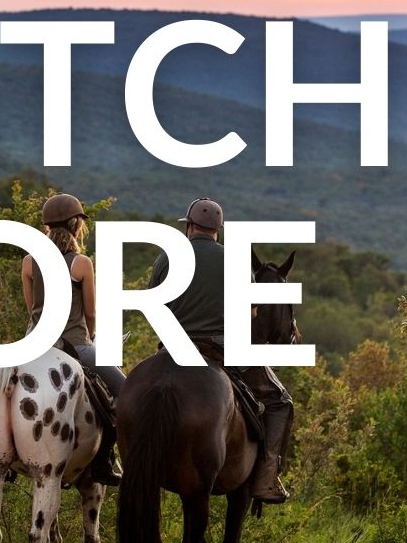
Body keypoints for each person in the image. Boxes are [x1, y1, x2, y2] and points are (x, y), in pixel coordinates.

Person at [147, 197, 294, 504]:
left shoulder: (166, 258)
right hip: (221, 350)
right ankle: (266, 478)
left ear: (189, 227)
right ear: (218, 231)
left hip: (171, 350)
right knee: (280, 402)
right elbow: (251, 314)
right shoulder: (234, 262)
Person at [21, 192, 124, 486]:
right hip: (75, 345)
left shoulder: (29, 262)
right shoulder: (81, 264)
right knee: (124, 392)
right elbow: (90, 311)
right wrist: (91, 336)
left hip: (36, 345)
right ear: (75, 224)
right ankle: (105, 458)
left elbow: (32, 310)